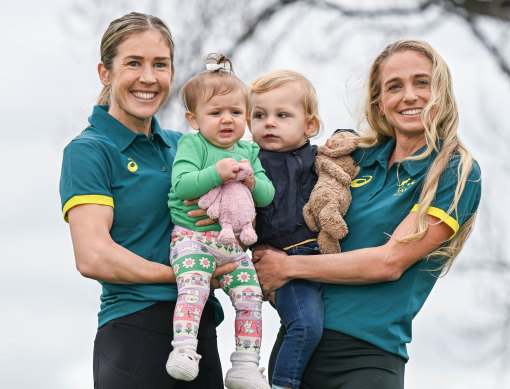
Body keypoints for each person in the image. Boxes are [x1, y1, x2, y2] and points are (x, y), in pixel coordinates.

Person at [252, 39, 482, 389]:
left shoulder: (454, 171)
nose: (409, 96)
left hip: (367, 360)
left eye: (422, 82)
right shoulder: (350, 158)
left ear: (441, 91)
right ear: (380, 102)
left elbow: (389, 262)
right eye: (394, 86)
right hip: (297, 347)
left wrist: (286, 266)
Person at [59, 12, 232, 389]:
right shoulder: (90, 151)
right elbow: (93, 255)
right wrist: (185, 274)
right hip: (135, 332)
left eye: (160, 64)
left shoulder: (184, 146)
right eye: (133, 63)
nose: (148, 78)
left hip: (200, 332)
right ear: (105, 73)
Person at [166, 54, 275, 389]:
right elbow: (182, 184)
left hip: (233, 244)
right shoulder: (192, 144)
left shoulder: (250, 152)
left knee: (250, 295)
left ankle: (245, 365)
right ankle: (184, 349)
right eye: (215, 113)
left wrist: (253, 183)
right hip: (193, 237)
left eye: (235, 112)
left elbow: (267, 195)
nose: (227, 120)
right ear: (194, 119)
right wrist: (216, 173)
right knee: (194, 286)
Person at [248, 70, 323, 389]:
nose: (269, 123)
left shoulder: (319, 158)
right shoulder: (248, 162)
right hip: (284, 261)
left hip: (321, 257)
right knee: (306, 327)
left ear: (310, 126)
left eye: (282, 115)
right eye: (259, 115)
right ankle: (283, 382)